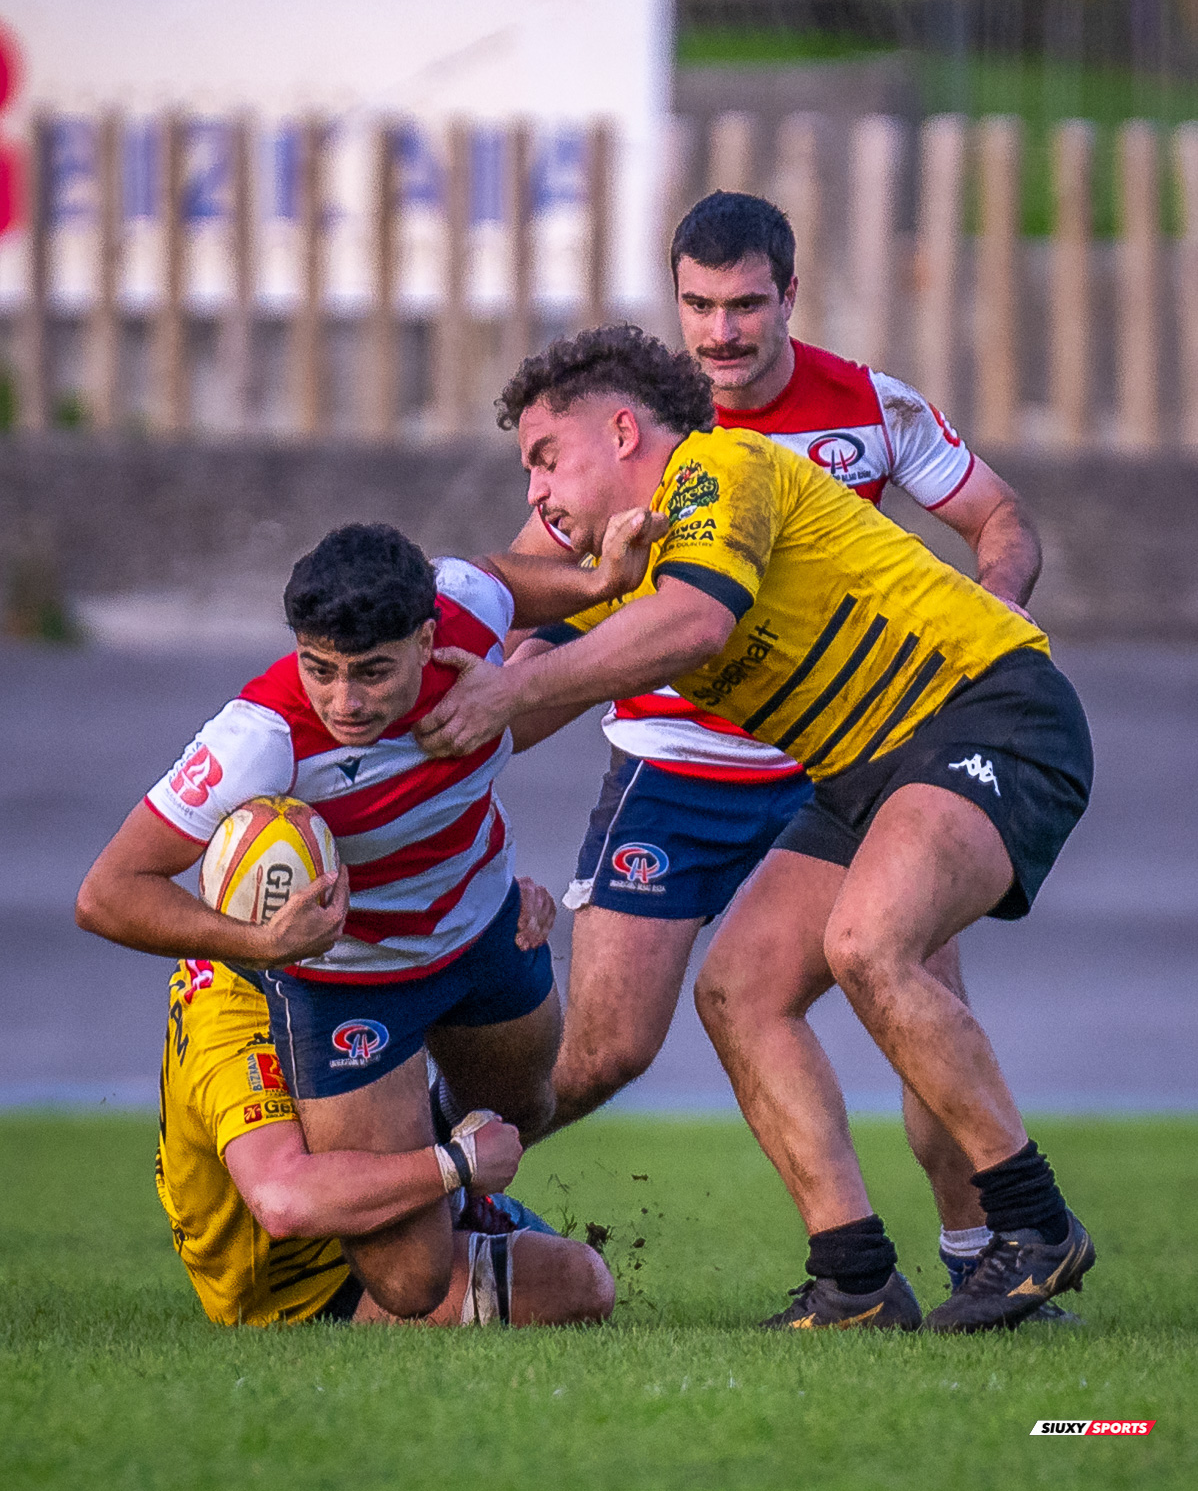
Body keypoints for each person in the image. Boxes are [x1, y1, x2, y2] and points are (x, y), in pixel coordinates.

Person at [415, 324, 1095, 1334]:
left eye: (545, 458)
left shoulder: (721, 464)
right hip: (861, 774)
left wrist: (511, 685)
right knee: (738, 992)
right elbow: (530, 703)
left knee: (869, 943)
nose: (535, 493)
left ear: (620, 430)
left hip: (986, 709)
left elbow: (696, 628)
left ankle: (1032, 1228)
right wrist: (377, 757)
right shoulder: (637, 566)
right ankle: (854, 1277)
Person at [506, 190, 1045, 1308]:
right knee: (603, 1047)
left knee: (920, 1011)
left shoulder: (867, 407)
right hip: (672, 764)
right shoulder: (640, 430)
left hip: (845, 759)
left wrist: (988, 623)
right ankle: (422, 1180)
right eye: (697, 306)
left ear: (789, 295)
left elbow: (1002, 518)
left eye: (745, 304)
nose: (720, 334)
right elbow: (536, 596)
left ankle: (981, 1265)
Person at [77, 518, 657, 1324]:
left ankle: (442, 1172)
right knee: (410, 1284)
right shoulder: (260, 737)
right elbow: (106, 891)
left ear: (427, 640)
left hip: (481, 933)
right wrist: (259, 943)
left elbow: (497, 572)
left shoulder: (463, 608)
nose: (344, 700)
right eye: (321, 670)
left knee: (527, 1108)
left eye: (373, 673)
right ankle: (435, 1183)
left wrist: (598, 585)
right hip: (355, 983)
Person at [156, 955, 613, 1327]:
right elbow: (283, 1200)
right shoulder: (234, 1032)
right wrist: (459, 1163)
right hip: (307, 1286)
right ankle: (448, 1207)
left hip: (346, 1211)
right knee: (578, 1282)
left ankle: (450, 1210)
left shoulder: (281, 964)